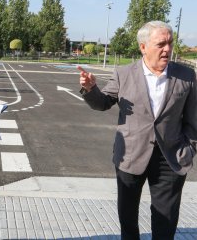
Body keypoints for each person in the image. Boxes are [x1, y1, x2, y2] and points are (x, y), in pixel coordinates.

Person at [77, 20, 197, 239]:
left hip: (171, 158)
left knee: (166, 222)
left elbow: (193, 120)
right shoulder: (124, 74)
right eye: (161, 44)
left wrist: (189, 149)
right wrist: (90, 89)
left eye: (170, 43)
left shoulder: (186, 76)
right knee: (128, 219)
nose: (167, 49)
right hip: (131, 156)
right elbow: (102, 103)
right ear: (143, 47)